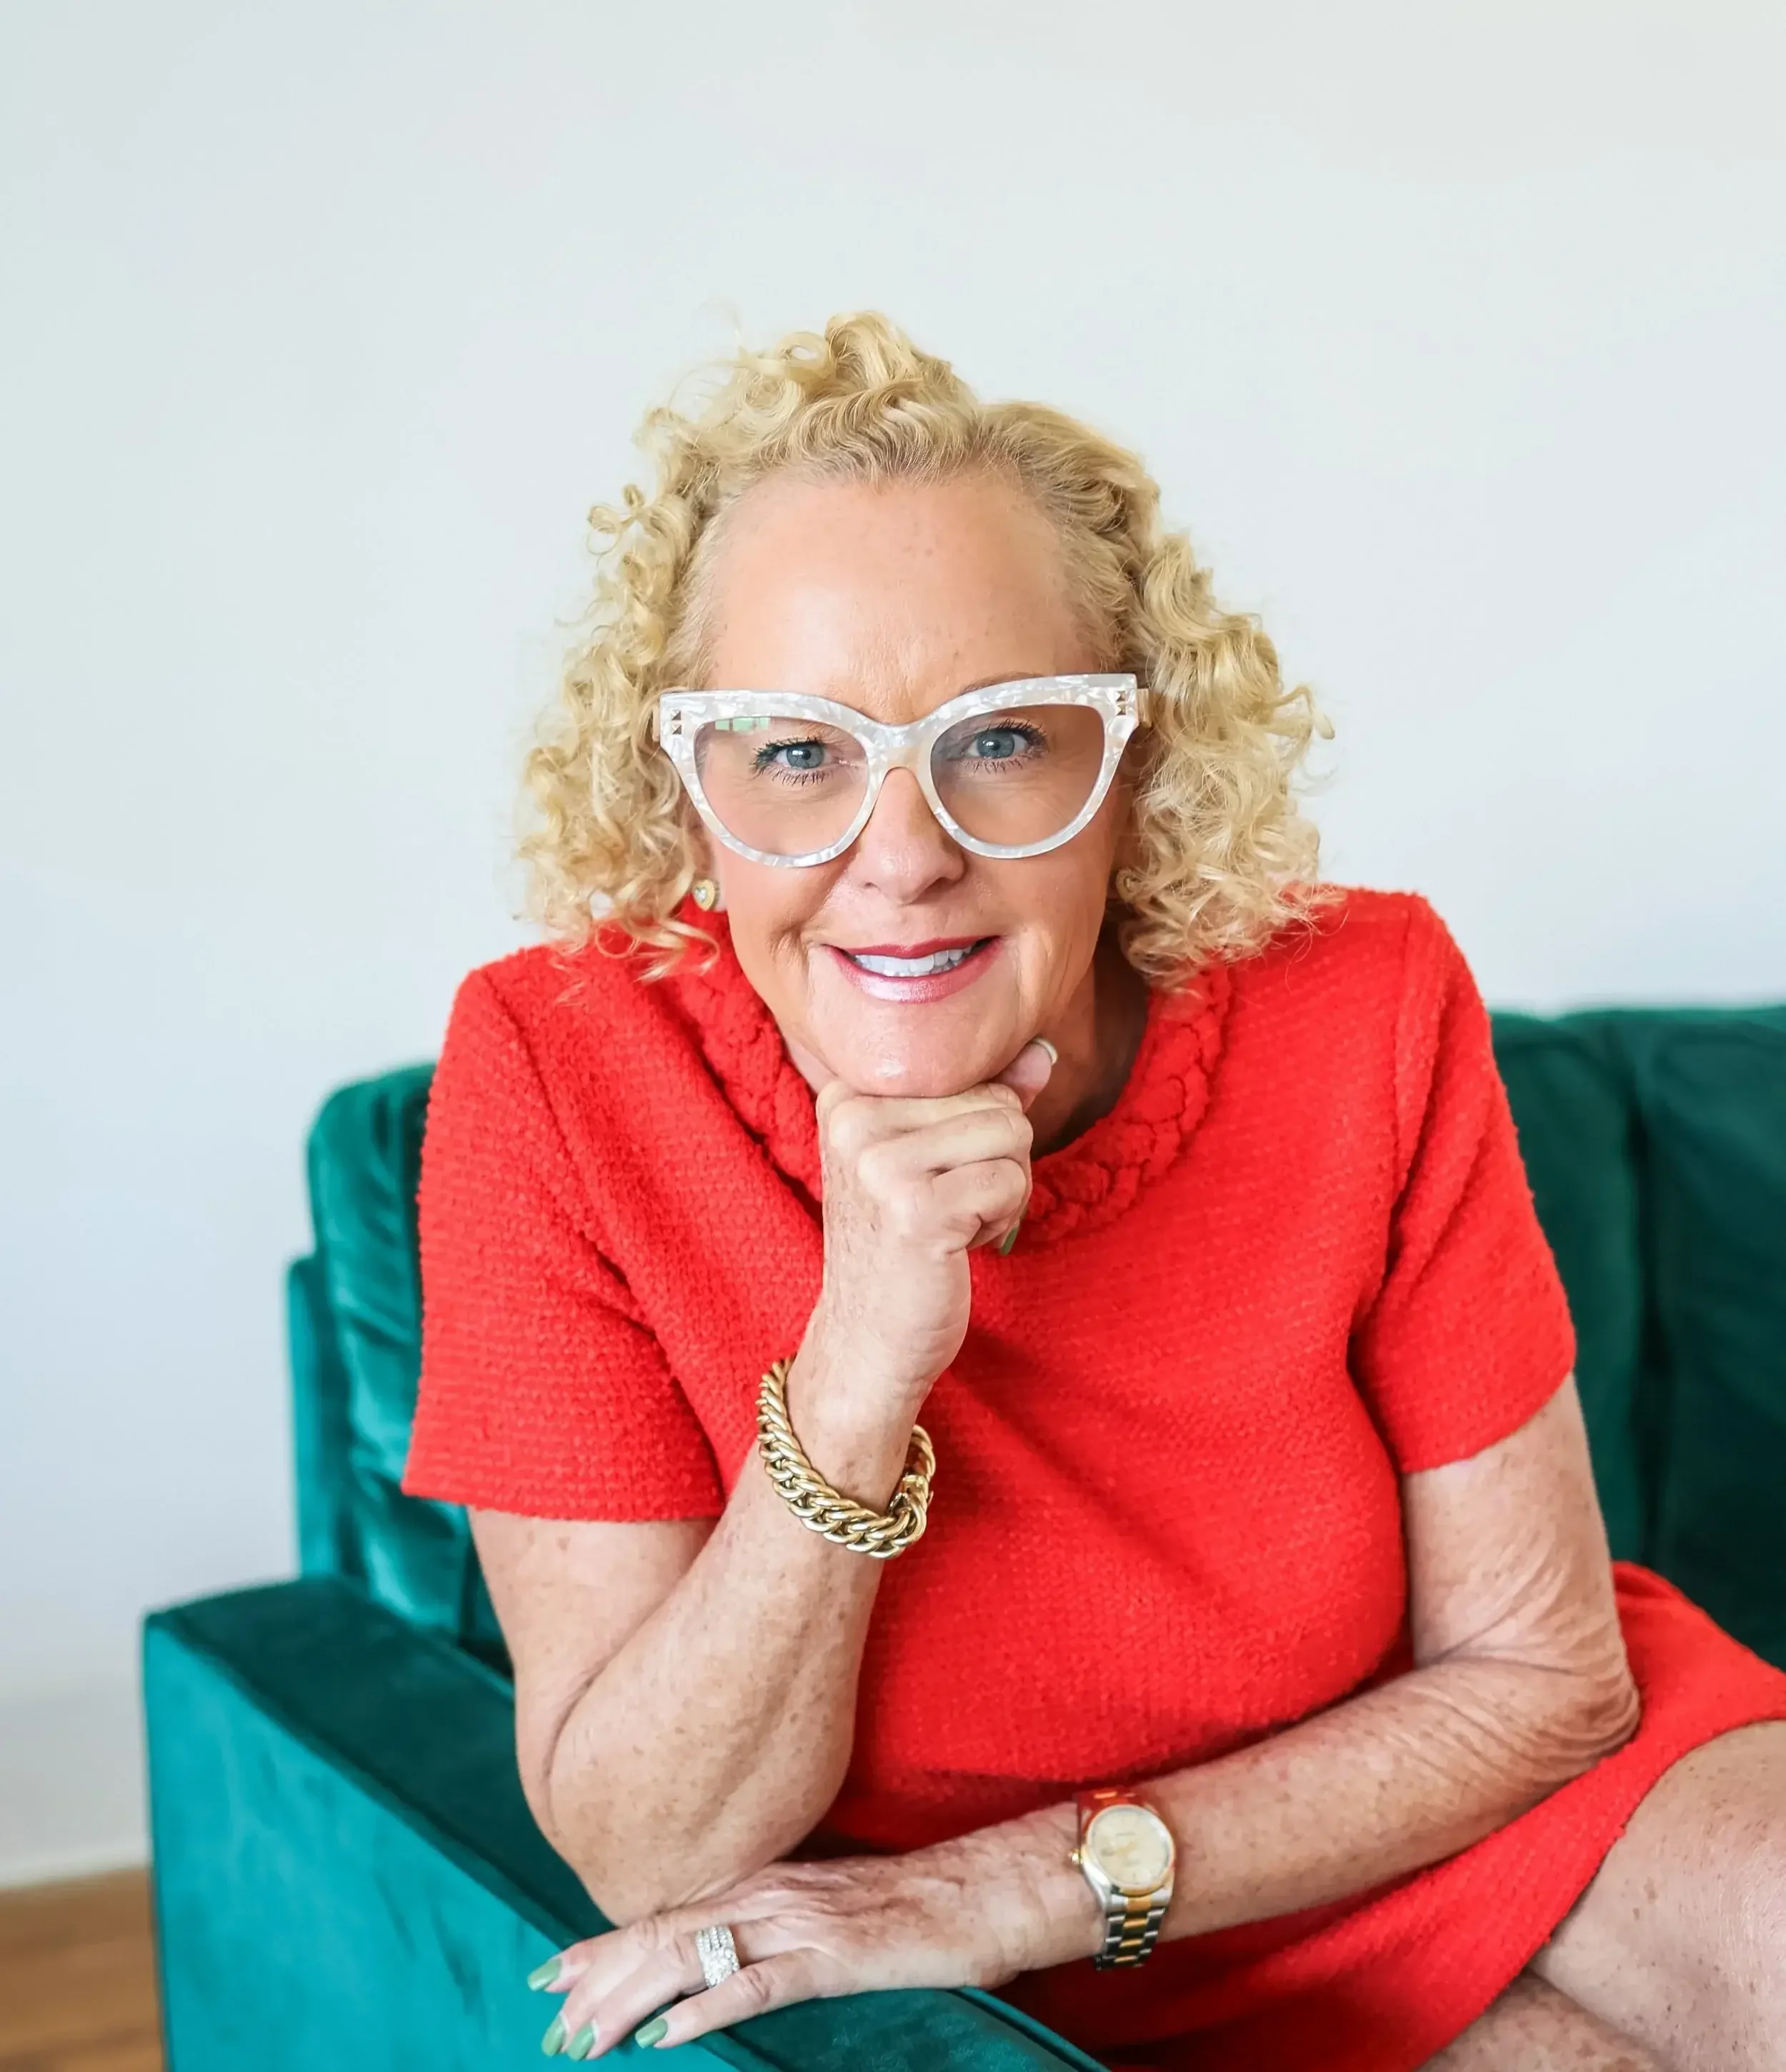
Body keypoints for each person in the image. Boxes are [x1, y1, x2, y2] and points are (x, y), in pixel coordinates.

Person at [402, 313, 1786, 2072]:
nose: (899, 857)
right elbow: (653, 1850)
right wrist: (855, 1362)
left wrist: (1010, 1884)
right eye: (795, 751)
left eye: (999, 739)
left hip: (1427, 1790)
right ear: (684, 794)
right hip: (1022, 1974)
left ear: (1131, 771)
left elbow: (1541, 1679)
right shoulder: (555, 1067)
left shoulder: (1360, 1002)